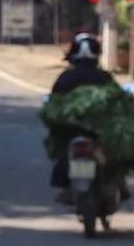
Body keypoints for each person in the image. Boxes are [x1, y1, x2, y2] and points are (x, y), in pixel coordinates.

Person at [47, 32, 119, 201]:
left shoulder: (65, 78)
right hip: (98, 132)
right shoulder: (105, 77)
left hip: (70, 132)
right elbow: (117, 103)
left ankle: (66, 185)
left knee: (61, 148)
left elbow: (53, 104)